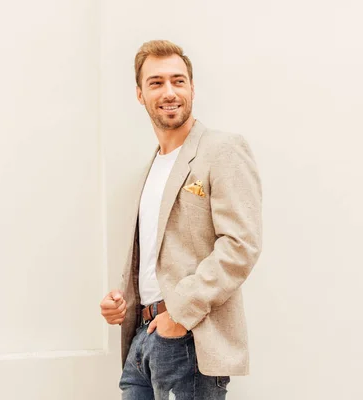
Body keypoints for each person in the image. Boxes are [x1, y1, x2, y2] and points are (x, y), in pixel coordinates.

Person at [99, 39, 262, 400]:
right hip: (142, 337)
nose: (169, 91)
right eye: (156, 82)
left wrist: (178, 314)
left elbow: (240, 245)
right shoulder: (151, 167)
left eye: (178, 80)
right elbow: (164, 254)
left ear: (192, 87)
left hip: (188, 336)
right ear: (140, 94)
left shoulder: (221, 150)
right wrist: (125, 300)